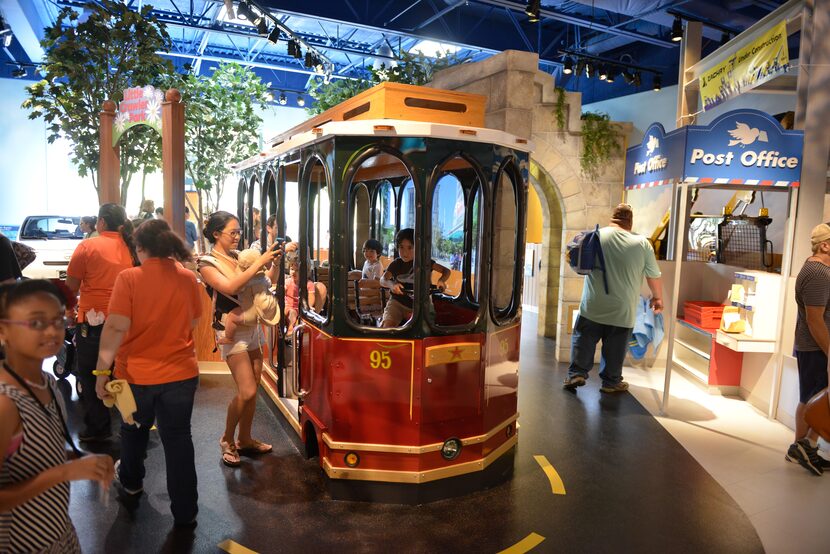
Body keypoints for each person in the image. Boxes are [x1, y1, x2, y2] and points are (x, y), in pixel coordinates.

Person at [94, 219, 202, 527]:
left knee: (132, 429)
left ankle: (131, 482)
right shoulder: (187, 278)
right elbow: (193, 322)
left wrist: (102, 372)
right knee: (179, 439)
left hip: (133, 377)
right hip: (181, 374)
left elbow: (115, 327)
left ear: (140, 248)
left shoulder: (129, 278)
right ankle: (185, 511)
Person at [0, 279, 114, 552]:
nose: (52, 331)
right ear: (3, 330)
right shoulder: (5, 402)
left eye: (59, 320)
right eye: (36, 323)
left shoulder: (47, 382)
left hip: (57, 529)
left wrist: (82, 461)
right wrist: (65, 472)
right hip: (20, 543)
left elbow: (35, 457)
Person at [197, 212, 280, 467]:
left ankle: (245, 439)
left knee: (254, 388)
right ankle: (226, 439)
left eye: (238, 232)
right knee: (247, 390)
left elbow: (267, 283)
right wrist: (260, 262)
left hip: (251, 323)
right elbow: (231, 287)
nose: (237, 237)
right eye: (232, 232)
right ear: (216, 234)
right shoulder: (206, 262)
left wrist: (273, 262)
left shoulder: (237, 256)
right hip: (230, 329)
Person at [563, 204, 663, 393]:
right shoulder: (642, 243)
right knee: (616, 348)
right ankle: (611, 382)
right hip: (622, 310)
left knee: (584, 339)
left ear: (612, 219)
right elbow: (653, 276)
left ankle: (576, 373)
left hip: (593, 305)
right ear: (630, 222)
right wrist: (657, 298)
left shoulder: (596, 236)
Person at [65, 204, 136, 442]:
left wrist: (68, 311)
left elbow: (71, 287)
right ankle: (132, 423)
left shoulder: (88, 245)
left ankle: (99, 427)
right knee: (123, 373)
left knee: (90, 371)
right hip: (128, 320)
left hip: (94, 321)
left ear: (102, 222)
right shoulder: (133, 247)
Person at [786, 223, 830, 475]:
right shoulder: (817, 273)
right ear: (824, 245)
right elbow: (815, 319)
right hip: (816, 347)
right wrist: (829, 352)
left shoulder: (820, 270)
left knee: (812, 396)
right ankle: (804, 446)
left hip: (814, 346)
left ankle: (802, 449)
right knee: (815, 398)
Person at [379, 228, 450, 328]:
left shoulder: (425, 263)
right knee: (388, 327)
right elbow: (383, 280)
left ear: (418, 247)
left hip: (421, 305)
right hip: (398, 303)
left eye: (410, 247)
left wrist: (441, 280)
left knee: (426, 328)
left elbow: (446, 271)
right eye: (401, 247)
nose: (405, 252)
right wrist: (392, 284)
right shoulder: (396, 264)